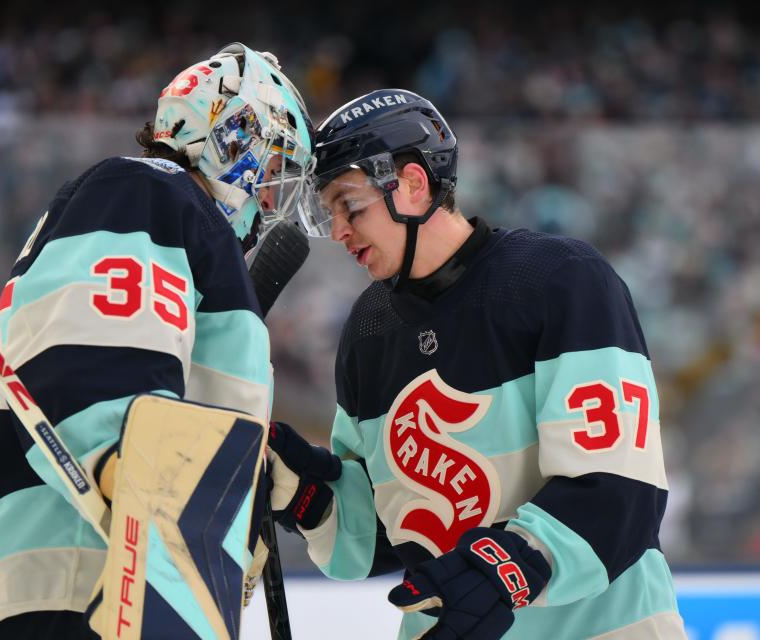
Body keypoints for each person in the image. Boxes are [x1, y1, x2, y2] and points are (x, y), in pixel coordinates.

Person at [0, 43, 315, 639]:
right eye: (272, 172)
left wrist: (232, 515)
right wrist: (146, 494)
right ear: (231, 138)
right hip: (70, 568)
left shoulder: (160, 214)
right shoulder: (150, 190)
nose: (266, 203)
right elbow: (89, 364)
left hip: (29, 573)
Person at [267, 89, 685, 639]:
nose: (339, 230)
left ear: (413, 185)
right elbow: (381, 535)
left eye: (350, 205)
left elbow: (617, 491)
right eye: (329, 214)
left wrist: (504, 572)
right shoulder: (368, 331)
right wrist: (304, 491)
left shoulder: (559, 280)